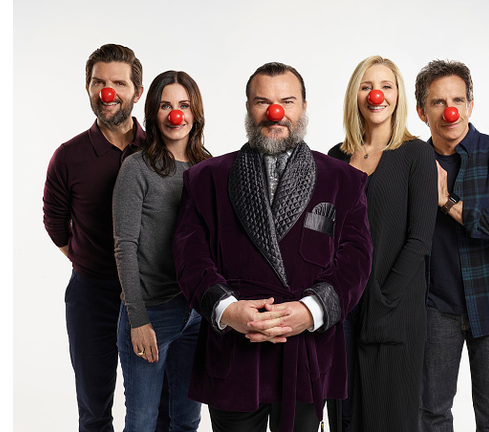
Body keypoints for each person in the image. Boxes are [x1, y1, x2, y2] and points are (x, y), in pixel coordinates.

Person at [171, 62, 373, 432]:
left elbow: (356, 260)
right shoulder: (206, 178)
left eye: (287, 101)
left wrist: (310, 310)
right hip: (234, 347)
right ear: (248, 107)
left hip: (307, 349)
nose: (275, 112)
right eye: (262, 101)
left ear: (304, 107)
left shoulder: (343, 181)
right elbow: (189, 256)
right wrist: (227, 309)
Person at [414, 59, 489, 431]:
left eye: (458, 100)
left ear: (470, 106)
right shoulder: (410, 163)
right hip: (434, 308)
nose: (450, 110)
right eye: (438, 102)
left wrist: (448, 203)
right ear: (421, 111)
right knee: (430, 416)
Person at [42, 43, 152, 432]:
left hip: (154, 296)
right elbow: (55, 223)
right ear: (88, 89)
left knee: (151, 410)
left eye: (118, 83)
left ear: (137, 93)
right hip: (92, 295)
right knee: (93, 411)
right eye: (98, 82)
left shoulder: (160, 149)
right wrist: (89, 261)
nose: (108, 92)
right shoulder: (68, 156)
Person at [327, 55, 438, 432]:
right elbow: (323, 231)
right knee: (343, 416)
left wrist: (384, 297)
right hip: (341, 310)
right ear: (355, 95)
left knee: (389, 417)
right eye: (367, 86)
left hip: (395, 310)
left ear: (398, 95)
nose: (377, 95)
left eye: (386, 86)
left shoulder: (416, 154)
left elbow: (420, 238)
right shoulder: (336, 158)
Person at [113, 70, 210, 432]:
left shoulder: (207, 166)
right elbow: (124, 246)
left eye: (184, 105)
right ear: (153, 112)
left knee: (187, 419)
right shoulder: (136, 168)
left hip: (196, 314)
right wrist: (138, 319)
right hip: (151, 313)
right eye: (166, 106)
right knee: (142, 421)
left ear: (195, 113)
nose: (176, 115)